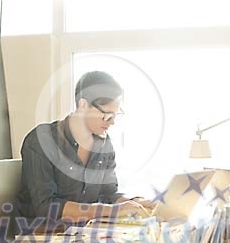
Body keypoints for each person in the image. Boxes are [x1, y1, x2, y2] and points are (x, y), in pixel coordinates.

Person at [14, 71, 155, 232]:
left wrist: (133, 202)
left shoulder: (104, 145)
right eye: (107, 115)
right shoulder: (42, 140)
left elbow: (107, 194)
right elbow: (46, 207)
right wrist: (114, 210)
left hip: (81, 233)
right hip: (39, 237)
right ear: (83, 105)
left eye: (115, 115)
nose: (112, 122)